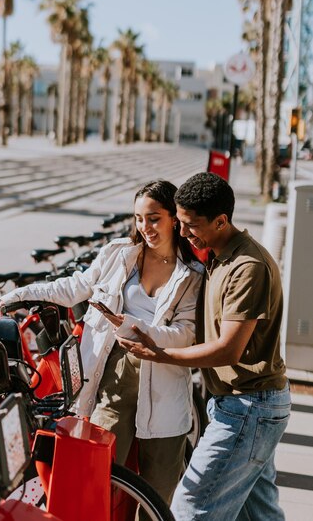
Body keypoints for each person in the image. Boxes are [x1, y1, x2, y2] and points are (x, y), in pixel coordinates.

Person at [0, 180, 203, 507]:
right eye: (138, 218)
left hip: (164, 384)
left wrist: (134, 326)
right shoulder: (118, 253)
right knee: (97, 481)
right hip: (114, 377)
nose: (144, 227)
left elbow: (185, 334)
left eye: (153, 218)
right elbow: (76, 286)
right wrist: (21, 295)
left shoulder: (191, 273)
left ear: (174, 219)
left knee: (158, 493)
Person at [118, 172, 290, 521]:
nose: (182, 233)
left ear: (221, 221)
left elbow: (228, 350)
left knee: (190, 509)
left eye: (190, 225)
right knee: (259, 514)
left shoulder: (247, 267)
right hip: (242, 405)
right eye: (179, 223)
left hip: (248, 407)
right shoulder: (217, 253)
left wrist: (161, 354)